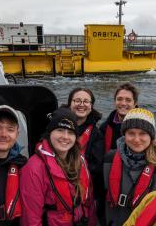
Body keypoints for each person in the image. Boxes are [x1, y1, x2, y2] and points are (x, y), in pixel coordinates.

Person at [20, 108, 97, 226]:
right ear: (49, 133)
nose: (65, 137)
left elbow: (89, 202)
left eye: (71, 132)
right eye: (60, 130)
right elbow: (31, 218)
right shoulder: (34, 168)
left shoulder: (80, 161)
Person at [104, 108, 156, 226]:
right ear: (124, 135)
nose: (136, 139)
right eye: (131, 133)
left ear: (151, 136)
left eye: (142, 133)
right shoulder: (109, 159)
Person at [65, 88, 105, 219]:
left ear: (91, 106)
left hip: (82, 190)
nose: (81, 104)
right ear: (70, 103)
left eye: (86, 101)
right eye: (77, 100)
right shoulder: (57, 127)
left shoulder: (97, 135)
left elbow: (96, 166)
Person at [100, 83, 138, 153]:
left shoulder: (144, 128)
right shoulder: (104, 128)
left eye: (128, 100)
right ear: (115, 101)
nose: (123, 103)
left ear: (135, 104)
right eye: (119, 99)